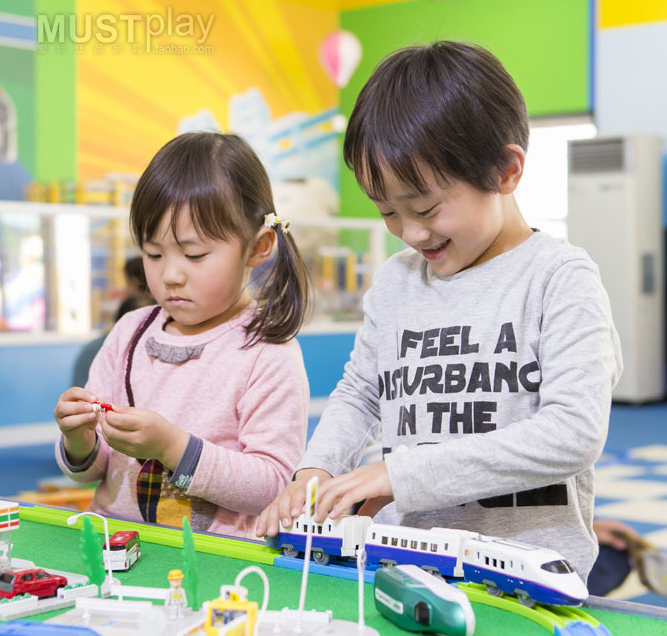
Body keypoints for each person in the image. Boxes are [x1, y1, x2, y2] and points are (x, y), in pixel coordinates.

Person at [256, 41, 622, 582]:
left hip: (529, 575)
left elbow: (573, 430)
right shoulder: (397, 281)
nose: (410, 232)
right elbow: (361, 391)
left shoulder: (558, 278)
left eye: (425, 207)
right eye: (387, 212)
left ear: (505, 170)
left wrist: (397, 474)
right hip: (402, 558)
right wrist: (315, 470)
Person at [54, 132, 311, 539]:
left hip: (213, 567)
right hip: (112, 547)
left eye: (194, 255)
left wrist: (171, 447)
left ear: (257, 248)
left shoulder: (267, 350)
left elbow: (274, 485)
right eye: (153, 254)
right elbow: (95, 469)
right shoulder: (129, 333)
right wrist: (79, 440)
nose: (170, 274)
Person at [71, 257, 154, 388]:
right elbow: (86, 403)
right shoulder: (97, 350)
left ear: (135, 282)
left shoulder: (96, 349)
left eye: (126, 283)